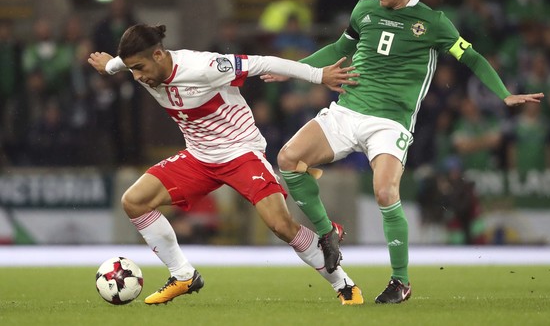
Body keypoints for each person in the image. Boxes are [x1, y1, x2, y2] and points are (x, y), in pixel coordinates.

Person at [268, 0, 544, 305]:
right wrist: (292, 69)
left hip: (390, 123)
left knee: (385, 192)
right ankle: (327, 232)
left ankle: (400, 281)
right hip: (347, 111)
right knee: (288, 159)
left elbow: (471, 56)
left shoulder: (433, 23)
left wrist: (504, 93)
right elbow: (339, 48)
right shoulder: (364, 10)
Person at [87, 23, 362, 306]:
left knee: (281, 225)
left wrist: (318, 75)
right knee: (134, 201)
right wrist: (110, 67)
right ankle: (183, 275)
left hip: (240, 153)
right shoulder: (142, 64)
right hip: (199, 157)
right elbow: (123, 62)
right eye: (131, 69)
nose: (138, 76)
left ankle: (344, 284)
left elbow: (263, 62)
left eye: (140, 68)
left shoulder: (204, 67)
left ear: (159, 55)